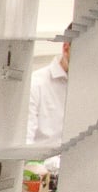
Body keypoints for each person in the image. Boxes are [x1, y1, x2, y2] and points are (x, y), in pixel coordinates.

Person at [27, 39, 70, 178]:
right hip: (41, 177)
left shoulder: (94, 87)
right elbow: (24, 146)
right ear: (66, 48)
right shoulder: (36, 84)